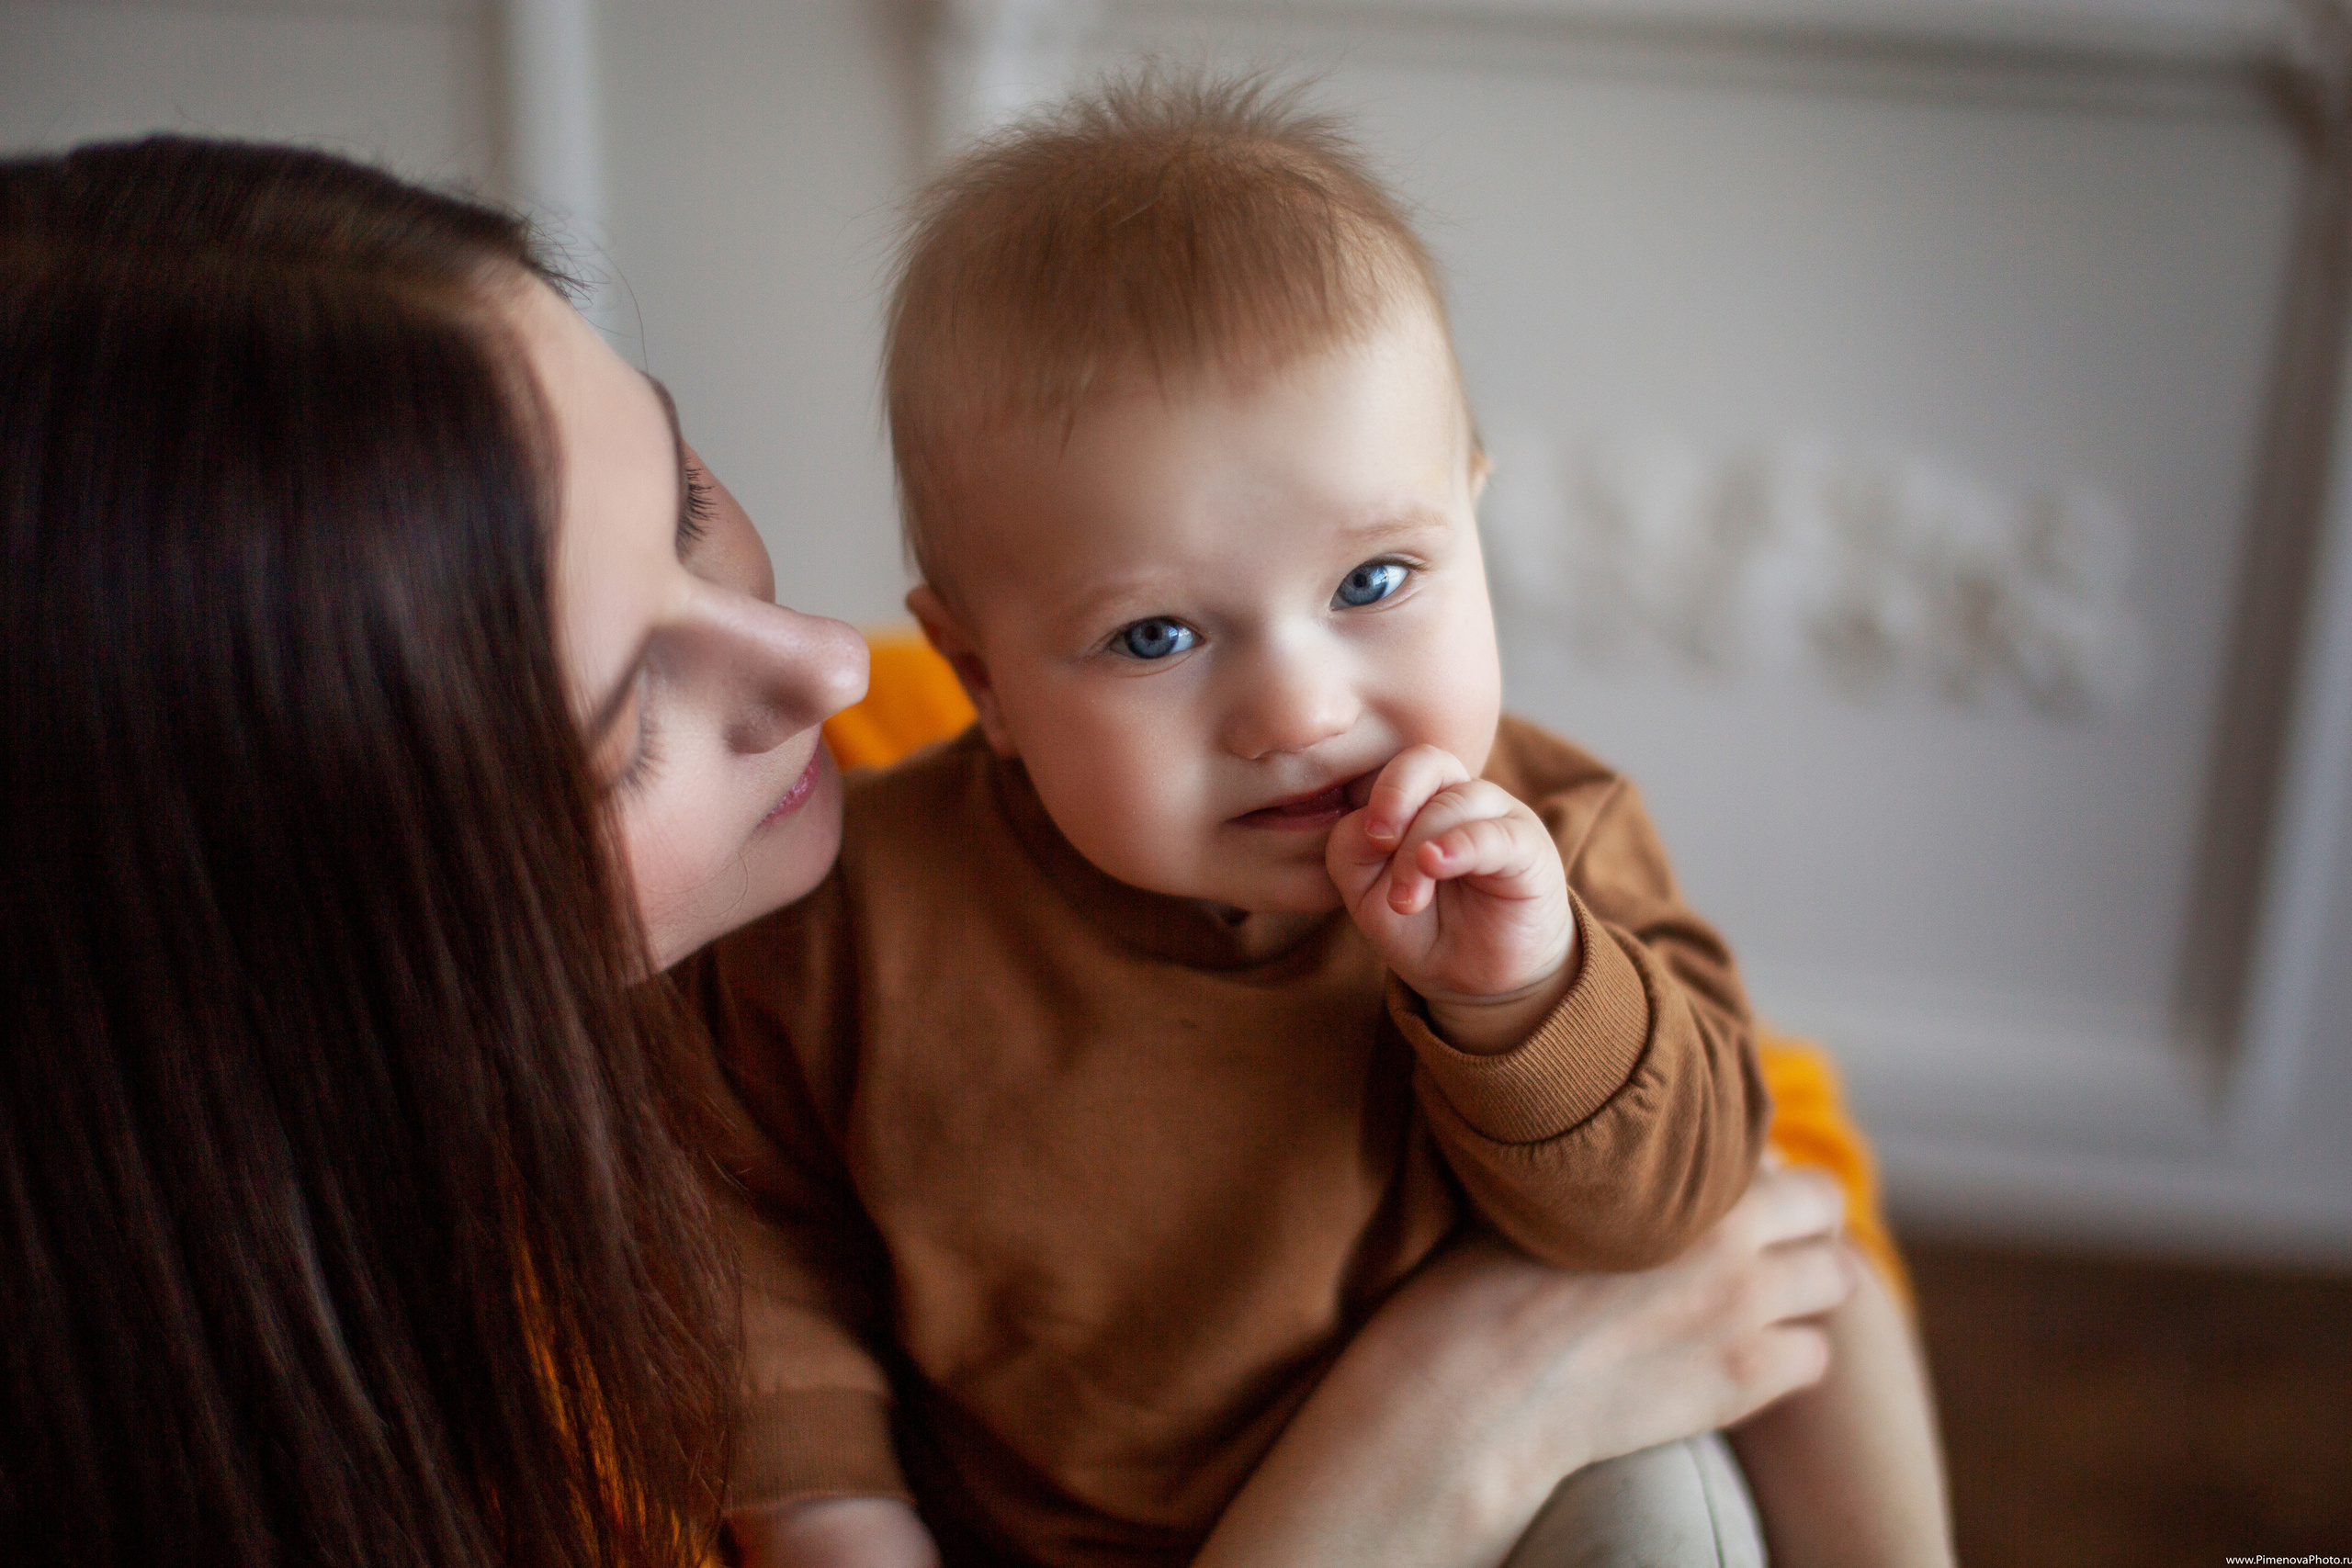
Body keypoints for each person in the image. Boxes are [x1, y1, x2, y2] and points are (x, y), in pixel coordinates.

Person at [0, 133, 1869, 1568]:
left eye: (689, 499)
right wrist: (1424, 1427)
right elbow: (755, 1258)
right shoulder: (438, 1425)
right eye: (620, 708)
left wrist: (1529, 997)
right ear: (310, 927)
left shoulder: (916, 737)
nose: (807, 660)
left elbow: (1783, 1174)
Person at [691, 73, 1950, 1568]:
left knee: (1696, 1479)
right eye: (1156, 636)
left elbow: (1667, 1223)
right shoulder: (846, 924)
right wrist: (841, 1518)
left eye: (1373, 584)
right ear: (983, 678)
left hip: (1538, 1494)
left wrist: (1524, 1000)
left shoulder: (1541, 843)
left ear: (1469, 520)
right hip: (1036, 1532)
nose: (1298, 712)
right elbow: (756, 1256)